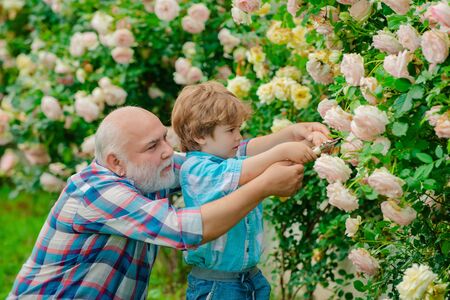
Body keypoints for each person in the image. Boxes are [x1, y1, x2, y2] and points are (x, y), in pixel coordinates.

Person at [7, 106, 307, 299]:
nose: (167, 151)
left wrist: (286, 137)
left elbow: (212, 164)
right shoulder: (97, 193)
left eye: (165, 139)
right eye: (153, 146)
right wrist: (263, 187)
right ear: (116, 162)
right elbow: (185, 230)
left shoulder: (147, 170)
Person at [171, 81, 330, 300]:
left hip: (248, 278)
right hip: (215, 285)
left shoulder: (227, 156)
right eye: (230, 130)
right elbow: (240, 170)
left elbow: (248, 156)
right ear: (200, 136)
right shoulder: (196, 169)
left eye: (238, 129)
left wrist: (293, 135)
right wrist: (281, 152)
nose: (238, 136)